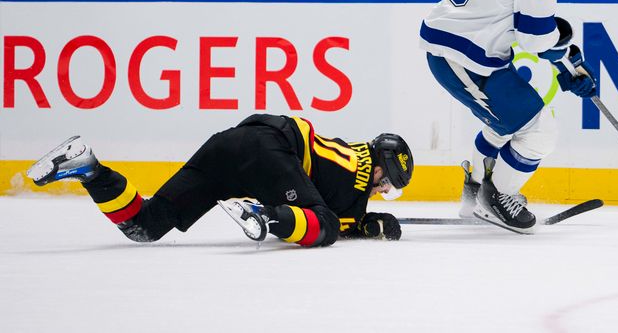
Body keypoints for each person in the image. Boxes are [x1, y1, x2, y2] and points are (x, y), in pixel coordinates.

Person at [419, 0, 598, 233]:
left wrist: (564, 58)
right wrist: (566, 62)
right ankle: (497, 196)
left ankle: (474, 188)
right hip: (462, 58)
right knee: (540, 131)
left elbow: (530, 26)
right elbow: (533, 35)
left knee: (506, 121)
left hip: (470, 53)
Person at [26, 114, 413, 246]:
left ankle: (90, 169)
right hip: (266, 149)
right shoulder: (357, 175)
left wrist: (362, 223)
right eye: (387, 184)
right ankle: (264, 215)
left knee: (145, 225)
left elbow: (335, 201)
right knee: (323, 227)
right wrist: (364, 225)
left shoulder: (347, 153)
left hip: (231, 144)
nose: (381, 192)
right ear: (378, 168)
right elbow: (332, 218)